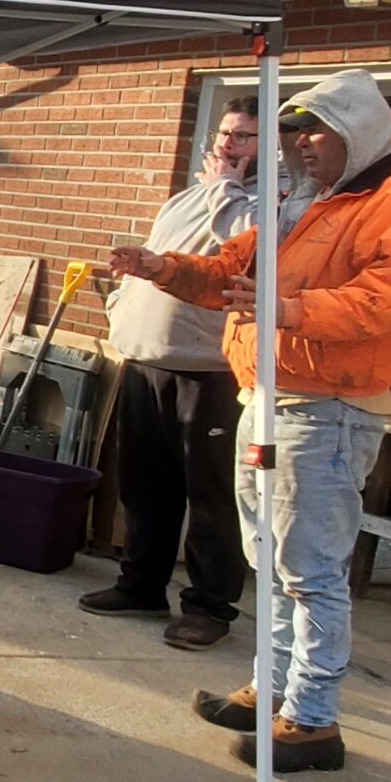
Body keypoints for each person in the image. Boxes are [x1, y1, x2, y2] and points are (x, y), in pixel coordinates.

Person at [108, 70, 391, 772]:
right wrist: (160, 267)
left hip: (328, 408)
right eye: (295, 134)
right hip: (268, 397)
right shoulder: (306, 205)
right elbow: (229, 271)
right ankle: (275, 694)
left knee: (310, 570)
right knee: (271, 560)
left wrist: (289, 311)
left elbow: (390, 300)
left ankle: (313, 721)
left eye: (314, 132)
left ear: (356, 133)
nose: (301, 146)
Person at [79, 100, 260, 651]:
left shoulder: (265, 206)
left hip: (210, 374)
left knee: (211, 497)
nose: (229, 144)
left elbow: (243, 252)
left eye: (245, 137)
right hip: (147, 363)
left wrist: (222, 189)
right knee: (144, 487)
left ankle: (209, 607)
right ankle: (141, 583)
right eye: (226, 132)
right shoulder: (188, 196)